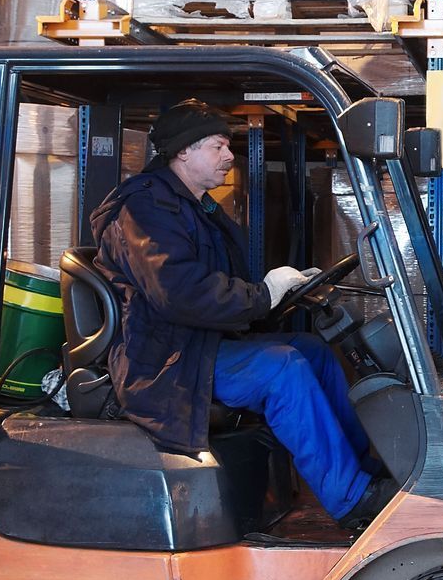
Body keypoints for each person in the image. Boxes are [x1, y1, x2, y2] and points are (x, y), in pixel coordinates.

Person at [88, 99, 396, 529]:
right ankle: (352, 499)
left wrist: (280, 291)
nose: (229, 156)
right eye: (218, 146)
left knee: (312, 349)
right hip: (165, 362)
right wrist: (262, 296)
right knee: (281, 368)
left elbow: (224, 284)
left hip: (199, 345)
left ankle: (366, 473)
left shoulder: (194, 207)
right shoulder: (144, 209)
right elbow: (179, 292)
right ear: (183, 151)